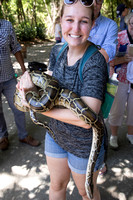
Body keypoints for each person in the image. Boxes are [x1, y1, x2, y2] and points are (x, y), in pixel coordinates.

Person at [17, 1, 108, 199]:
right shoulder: (58, 51)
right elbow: (50, 84)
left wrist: (35, 106)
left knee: (86, 191)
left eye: (83, 21)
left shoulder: (95, 61)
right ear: (60, 22)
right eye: (69, 20)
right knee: (57, 185)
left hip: (84, 144)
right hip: (56, 135)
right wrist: (28, 85)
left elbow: (86, 119)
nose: (75, 28)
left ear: (92, 24)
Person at [0, 19, 40, 150]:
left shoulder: (6, 25)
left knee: (19, 106)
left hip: (9, 77)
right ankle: (2, 137)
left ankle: (23, 135)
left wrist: (24, 71)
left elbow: (16, 47)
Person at [88, 0, 118, 175]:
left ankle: (99, 162)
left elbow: (108, 52)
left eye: (99, 0)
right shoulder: (75, 19)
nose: (96, 3)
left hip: (99, 82)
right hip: (75, 82)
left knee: (98, 122)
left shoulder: (110, 25)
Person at [109, 12, 133, 149]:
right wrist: (124, 59)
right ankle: (114, 136)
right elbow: (110, 61)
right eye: (132, 24)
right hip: (120, 79)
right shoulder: (119, 38)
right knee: (116, 109)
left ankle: (131, 134)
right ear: (128, 22)